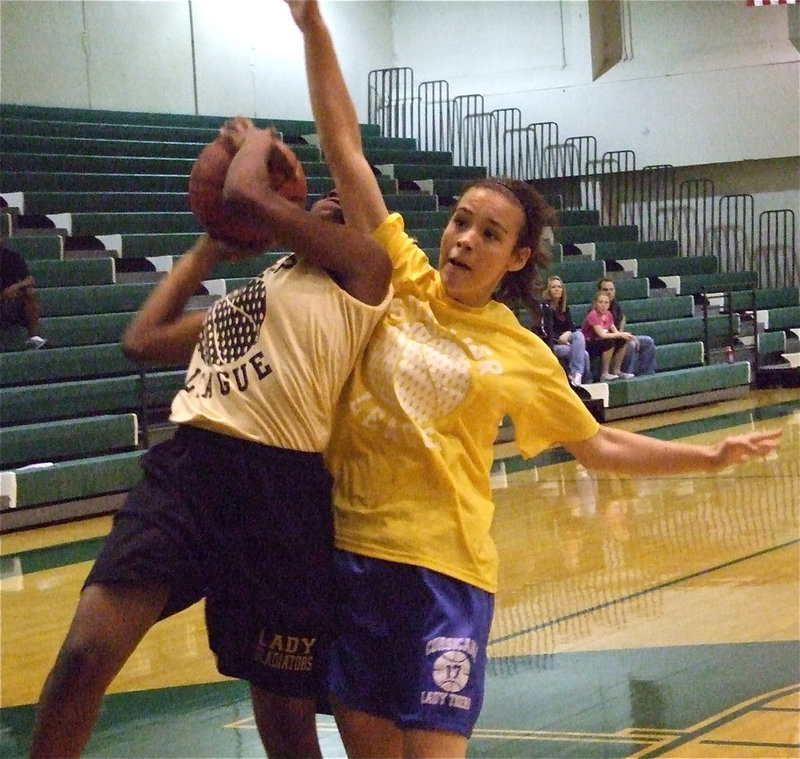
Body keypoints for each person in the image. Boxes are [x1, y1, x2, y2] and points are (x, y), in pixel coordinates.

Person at [286, 2, 782, 756]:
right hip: (354, 560)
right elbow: (345, 150)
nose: (465, 239)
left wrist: (707, 456)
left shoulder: (520, 350)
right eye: (460, 221)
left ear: (517, 258)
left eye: (490, 233)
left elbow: (599, 448)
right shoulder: (400, 277)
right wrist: (314, 26)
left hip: (446, 579)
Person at [28, 117, 392, 759]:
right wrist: (211, 247)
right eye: (324, 196)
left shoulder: (365, 272)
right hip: (190, 471)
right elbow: (141, 339)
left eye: (346, 201)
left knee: (284, 716)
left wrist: (254, 139)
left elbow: (248, 195)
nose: (333, 202)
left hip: (282, 490)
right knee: (85, 655)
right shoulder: (258, 288)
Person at [597, 277, 656, 376]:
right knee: (630, 345)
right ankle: (626, 374)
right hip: (606, 342)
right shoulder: (597, 309)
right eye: (605, 290)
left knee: (648, 341)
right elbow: (603, 333)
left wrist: (626, 335)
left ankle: (647, 374)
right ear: (599, 292)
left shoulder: (616, 306)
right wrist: (624, 336)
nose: (609, 292)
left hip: (618, 337)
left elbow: (620, 325)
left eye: (611, 289)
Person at [541, 275, 591, 386]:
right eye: (554, 287)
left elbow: (572, 327)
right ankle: (582, 381)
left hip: (566, 341)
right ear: (548, 290)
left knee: (578, 335)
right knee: (584, 355)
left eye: (559, 287)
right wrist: (559, 339)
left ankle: (577, 375)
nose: (557, 289)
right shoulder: (545, 307)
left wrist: (568, 333)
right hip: (552, 344)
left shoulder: (564, 307)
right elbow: (544, 330)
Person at [0, 241, 46, 349]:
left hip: (11, 302)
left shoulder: (11, 257)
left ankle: (33, 338)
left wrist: (15, 287)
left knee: (30, 293)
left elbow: (30, 280)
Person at [581, 290, 634, 381]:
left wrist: (626, 336)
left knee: (622, 340)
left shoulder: (608, 314)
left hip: (600, 341)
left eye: (606, 302)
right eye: (600, 302)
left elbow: (615, 332)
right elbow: (602, 335)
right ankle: (604, 373)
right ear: (595, 303)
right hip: (588, 343)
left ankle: (616, 370)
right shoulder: (593, 315)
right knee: (609, 342)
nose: (603, 305)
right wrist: (621, 334)